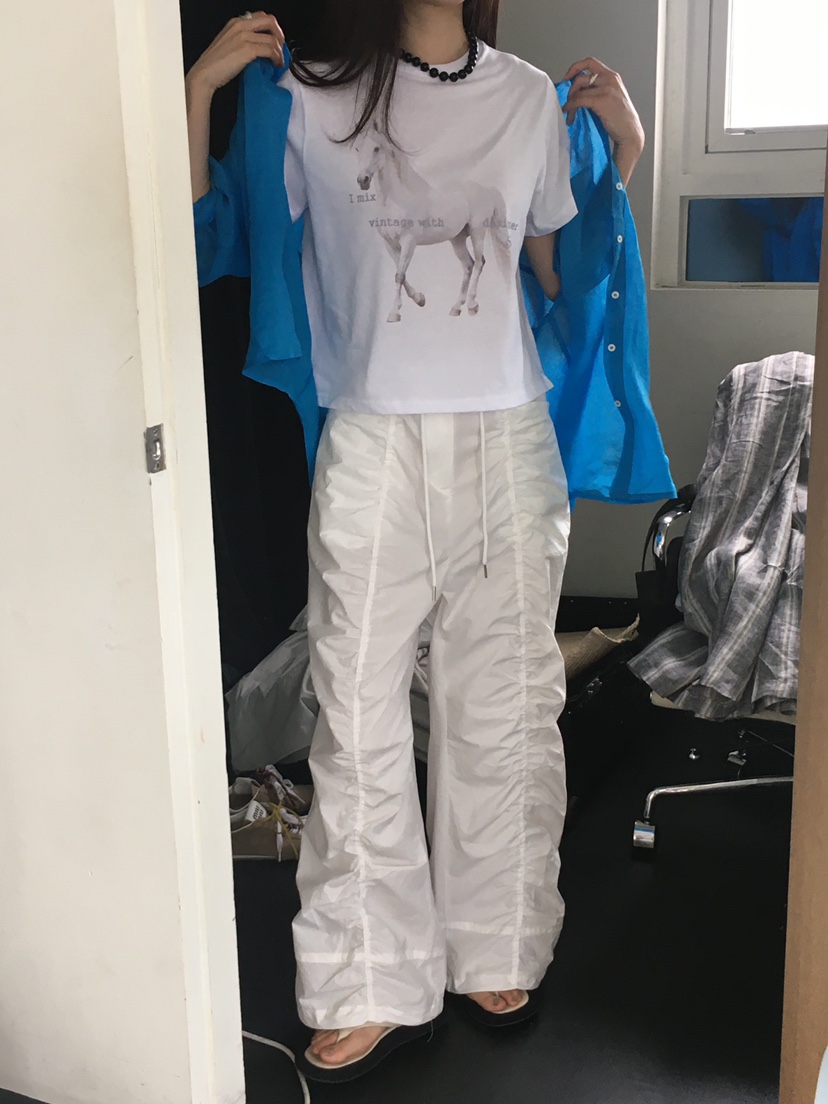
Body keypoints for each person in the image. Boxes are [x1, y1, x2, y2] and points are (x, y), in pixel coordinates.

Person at [186, 0, 645, 1083]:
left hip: (505, 437)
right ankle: (367, 972)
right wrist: (197, 93)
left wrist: (625, 149)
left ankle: (496, 939)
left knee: (505, 698)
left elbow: (557, 275)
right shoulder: (305, 96)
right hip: (372, 435)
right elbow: (207, 238)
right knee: (353, 703)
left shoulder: (523, 97)